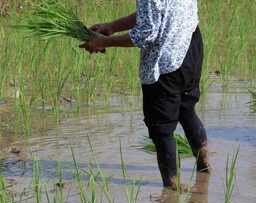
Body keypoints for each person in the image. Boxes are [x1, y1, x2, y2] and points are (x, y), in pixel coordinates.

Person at [80, 0, 210, 189]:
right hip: (190, 47)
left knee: (162, 129)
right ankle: (204, 166)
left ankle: (172, 189)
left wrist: (103, 41)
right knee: (186, 109)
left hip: (167, 61)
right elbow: (156, 13)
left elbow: (146, 34)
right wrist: (112, 26)